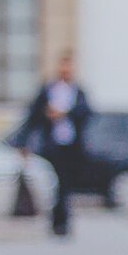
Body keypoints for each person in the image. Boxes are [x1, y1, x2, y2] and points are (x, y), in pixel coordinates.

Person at [16, 52, 93, 237]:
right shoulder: (49, 90)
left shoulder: (78, 91)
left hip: (72, 146)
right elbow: (33, 117)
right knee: (56, 182)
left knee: (66, 184)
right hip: (51, 145)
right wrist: (23, 142)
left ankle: (62, 220)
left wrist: (65, 113)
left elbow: (87, 114)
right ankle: (58, 220)